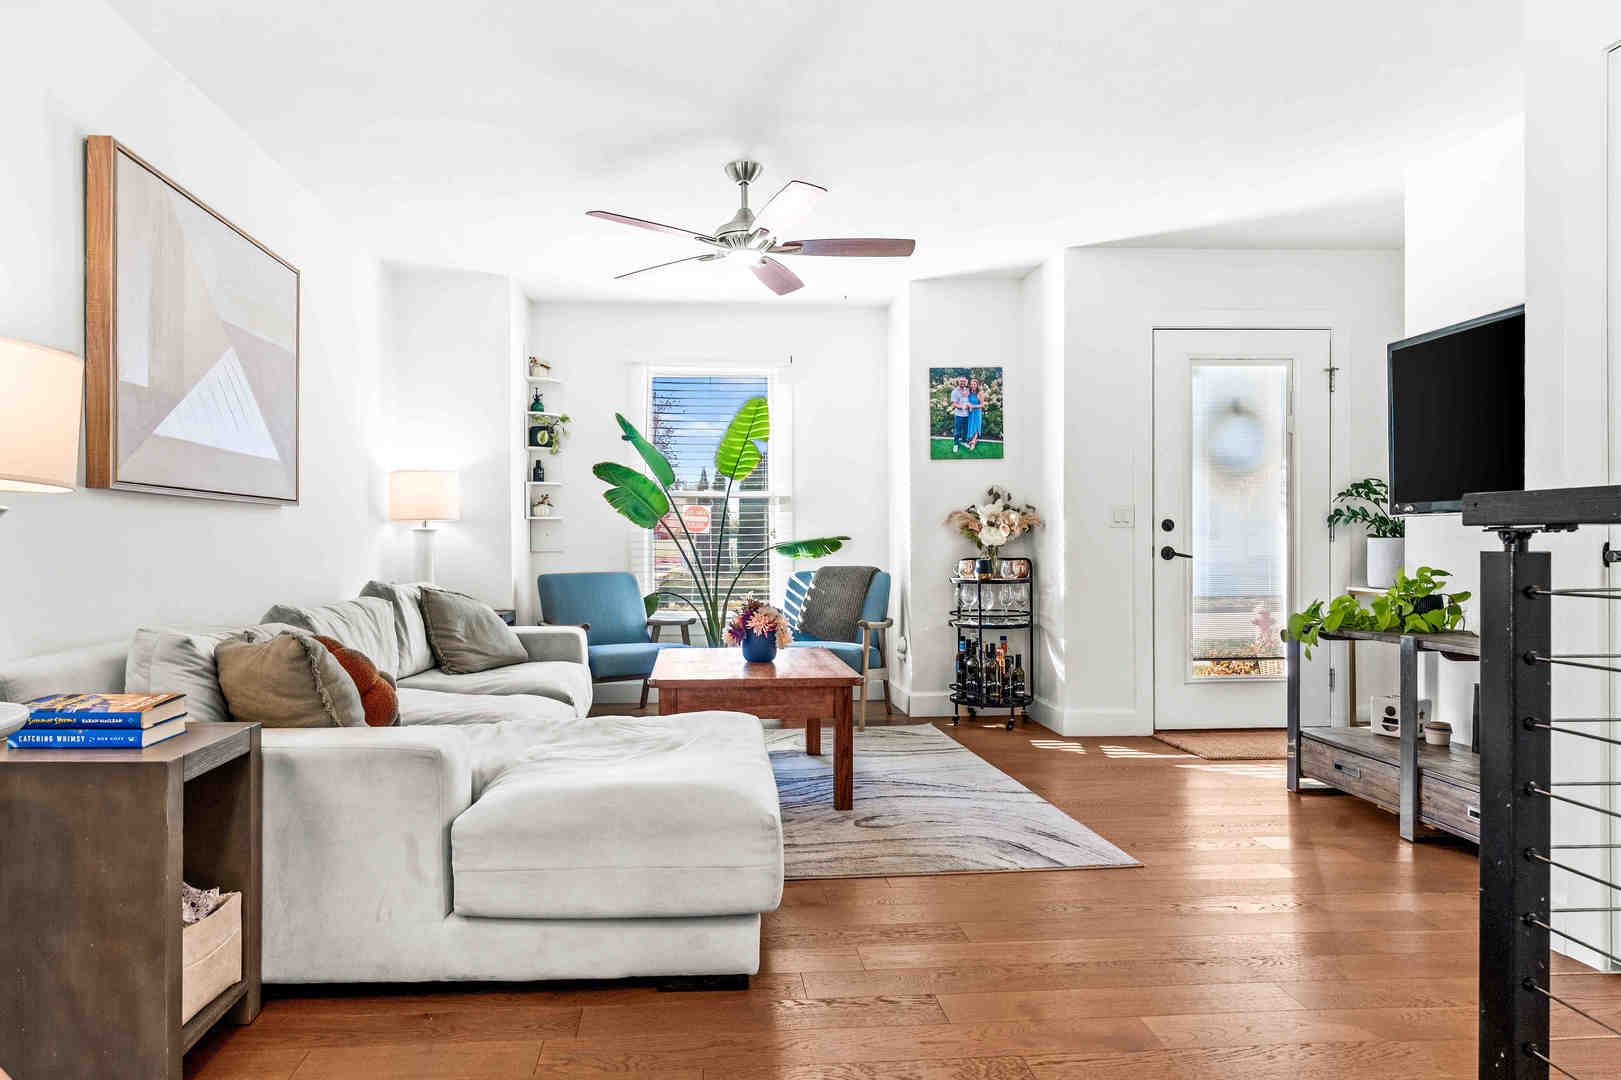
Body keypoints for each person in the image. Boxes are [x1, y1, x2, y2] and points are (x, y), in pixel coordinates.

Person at [948, 375, 971, 452]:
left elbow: (970, 399)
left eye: (964, 381)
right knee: (957, 430)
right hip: (959, 415)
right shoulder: (955, 392)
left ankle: (964, 442)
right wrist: (962, 407)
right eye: (961, 381)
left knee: (965, 430)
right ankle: (955, 444)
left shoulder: (968, 390)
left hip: (967, 414)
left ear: (966, 382)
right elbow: (954, 404)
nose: (963, 383)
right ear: (958, 381)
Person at [965, 376, 984, 449]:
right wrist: (969, 405)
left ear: (977, 385)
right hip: (970, 412)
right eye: (971, 384)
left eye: (974, 384)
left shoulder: (979, 394)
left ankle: (973, 442)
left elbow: (982, 405)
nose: (973, 386)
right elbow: (966, 401)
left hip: (977, 412)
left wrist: (973, 406)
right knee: (971, 425)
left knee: (976, 426)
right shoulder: (969, 393)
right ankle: (972, 440)